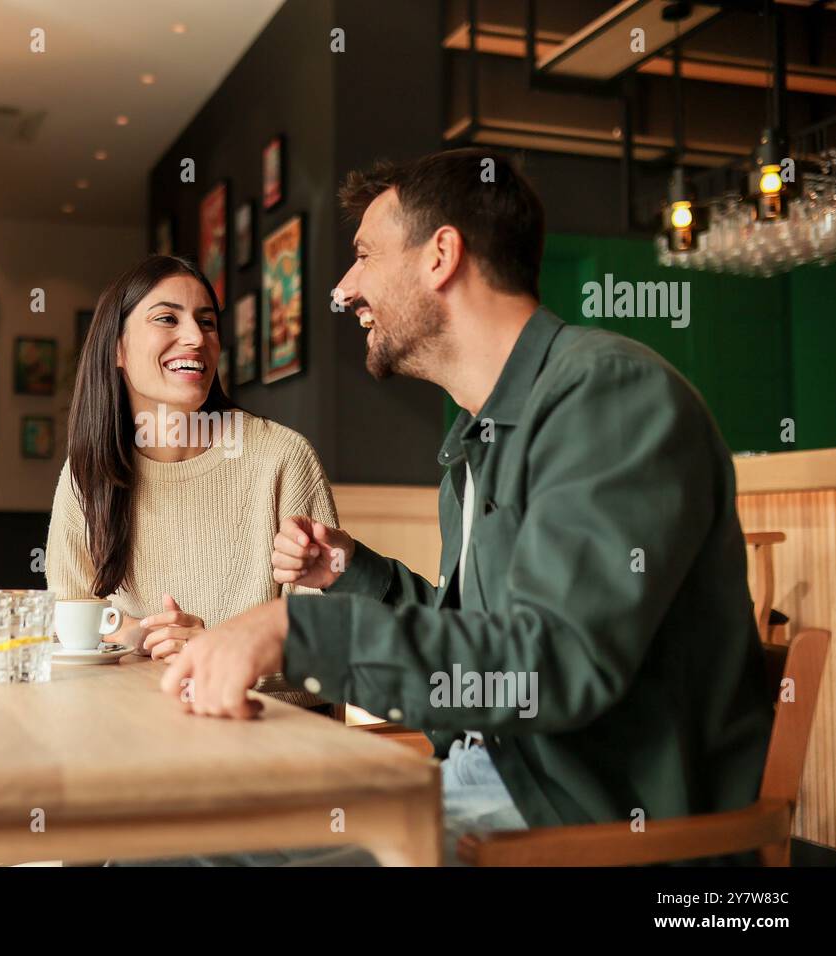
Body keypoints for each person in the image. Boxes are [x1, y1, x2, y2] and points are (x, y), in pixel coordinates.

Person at [160, 149, 774, 864]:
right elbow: (484, 645)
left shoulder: (608, 395)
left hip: (581, 825)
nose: (344, 288)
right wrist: (356, 576)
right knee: (170, 838)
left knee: (192, 857)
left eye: (363, 255)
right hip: (482, 783)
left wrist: (301, 628)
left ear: (441, 255)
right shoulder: (477, 434)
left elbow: (553, 662)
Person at [46, 254, 337, 708]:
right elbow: (66, 621)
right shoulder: (88, 473)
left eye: (207, 322)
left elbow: (328, 651)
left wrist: (220, 653)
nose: (195, 338)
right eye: (167, 318)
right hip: (128, 733)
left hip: (262, 748)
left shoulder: (281, 458)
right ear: (116, 350)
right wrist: (128, 635)